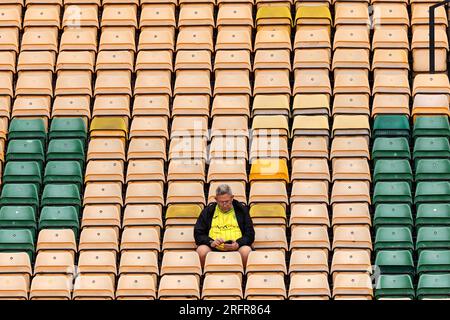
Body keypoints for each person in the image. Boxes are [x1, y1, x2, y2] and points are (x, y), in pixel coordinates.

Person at [194, 184, 255, 267]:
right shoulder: (208, 211)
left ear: (232, 198)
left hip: (236, 247)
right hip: (214, 248)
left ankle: (242, 277)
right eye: (221, 202)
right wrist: (211, 242)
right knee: (201, 251)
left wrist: (238, 243)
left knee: (246, 251)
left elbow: (250, 234)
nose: (224, 204)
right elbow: (198, 233)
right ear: (216, 199)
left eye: (227, 201)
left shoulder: (242, 210)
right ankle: (206, 275)